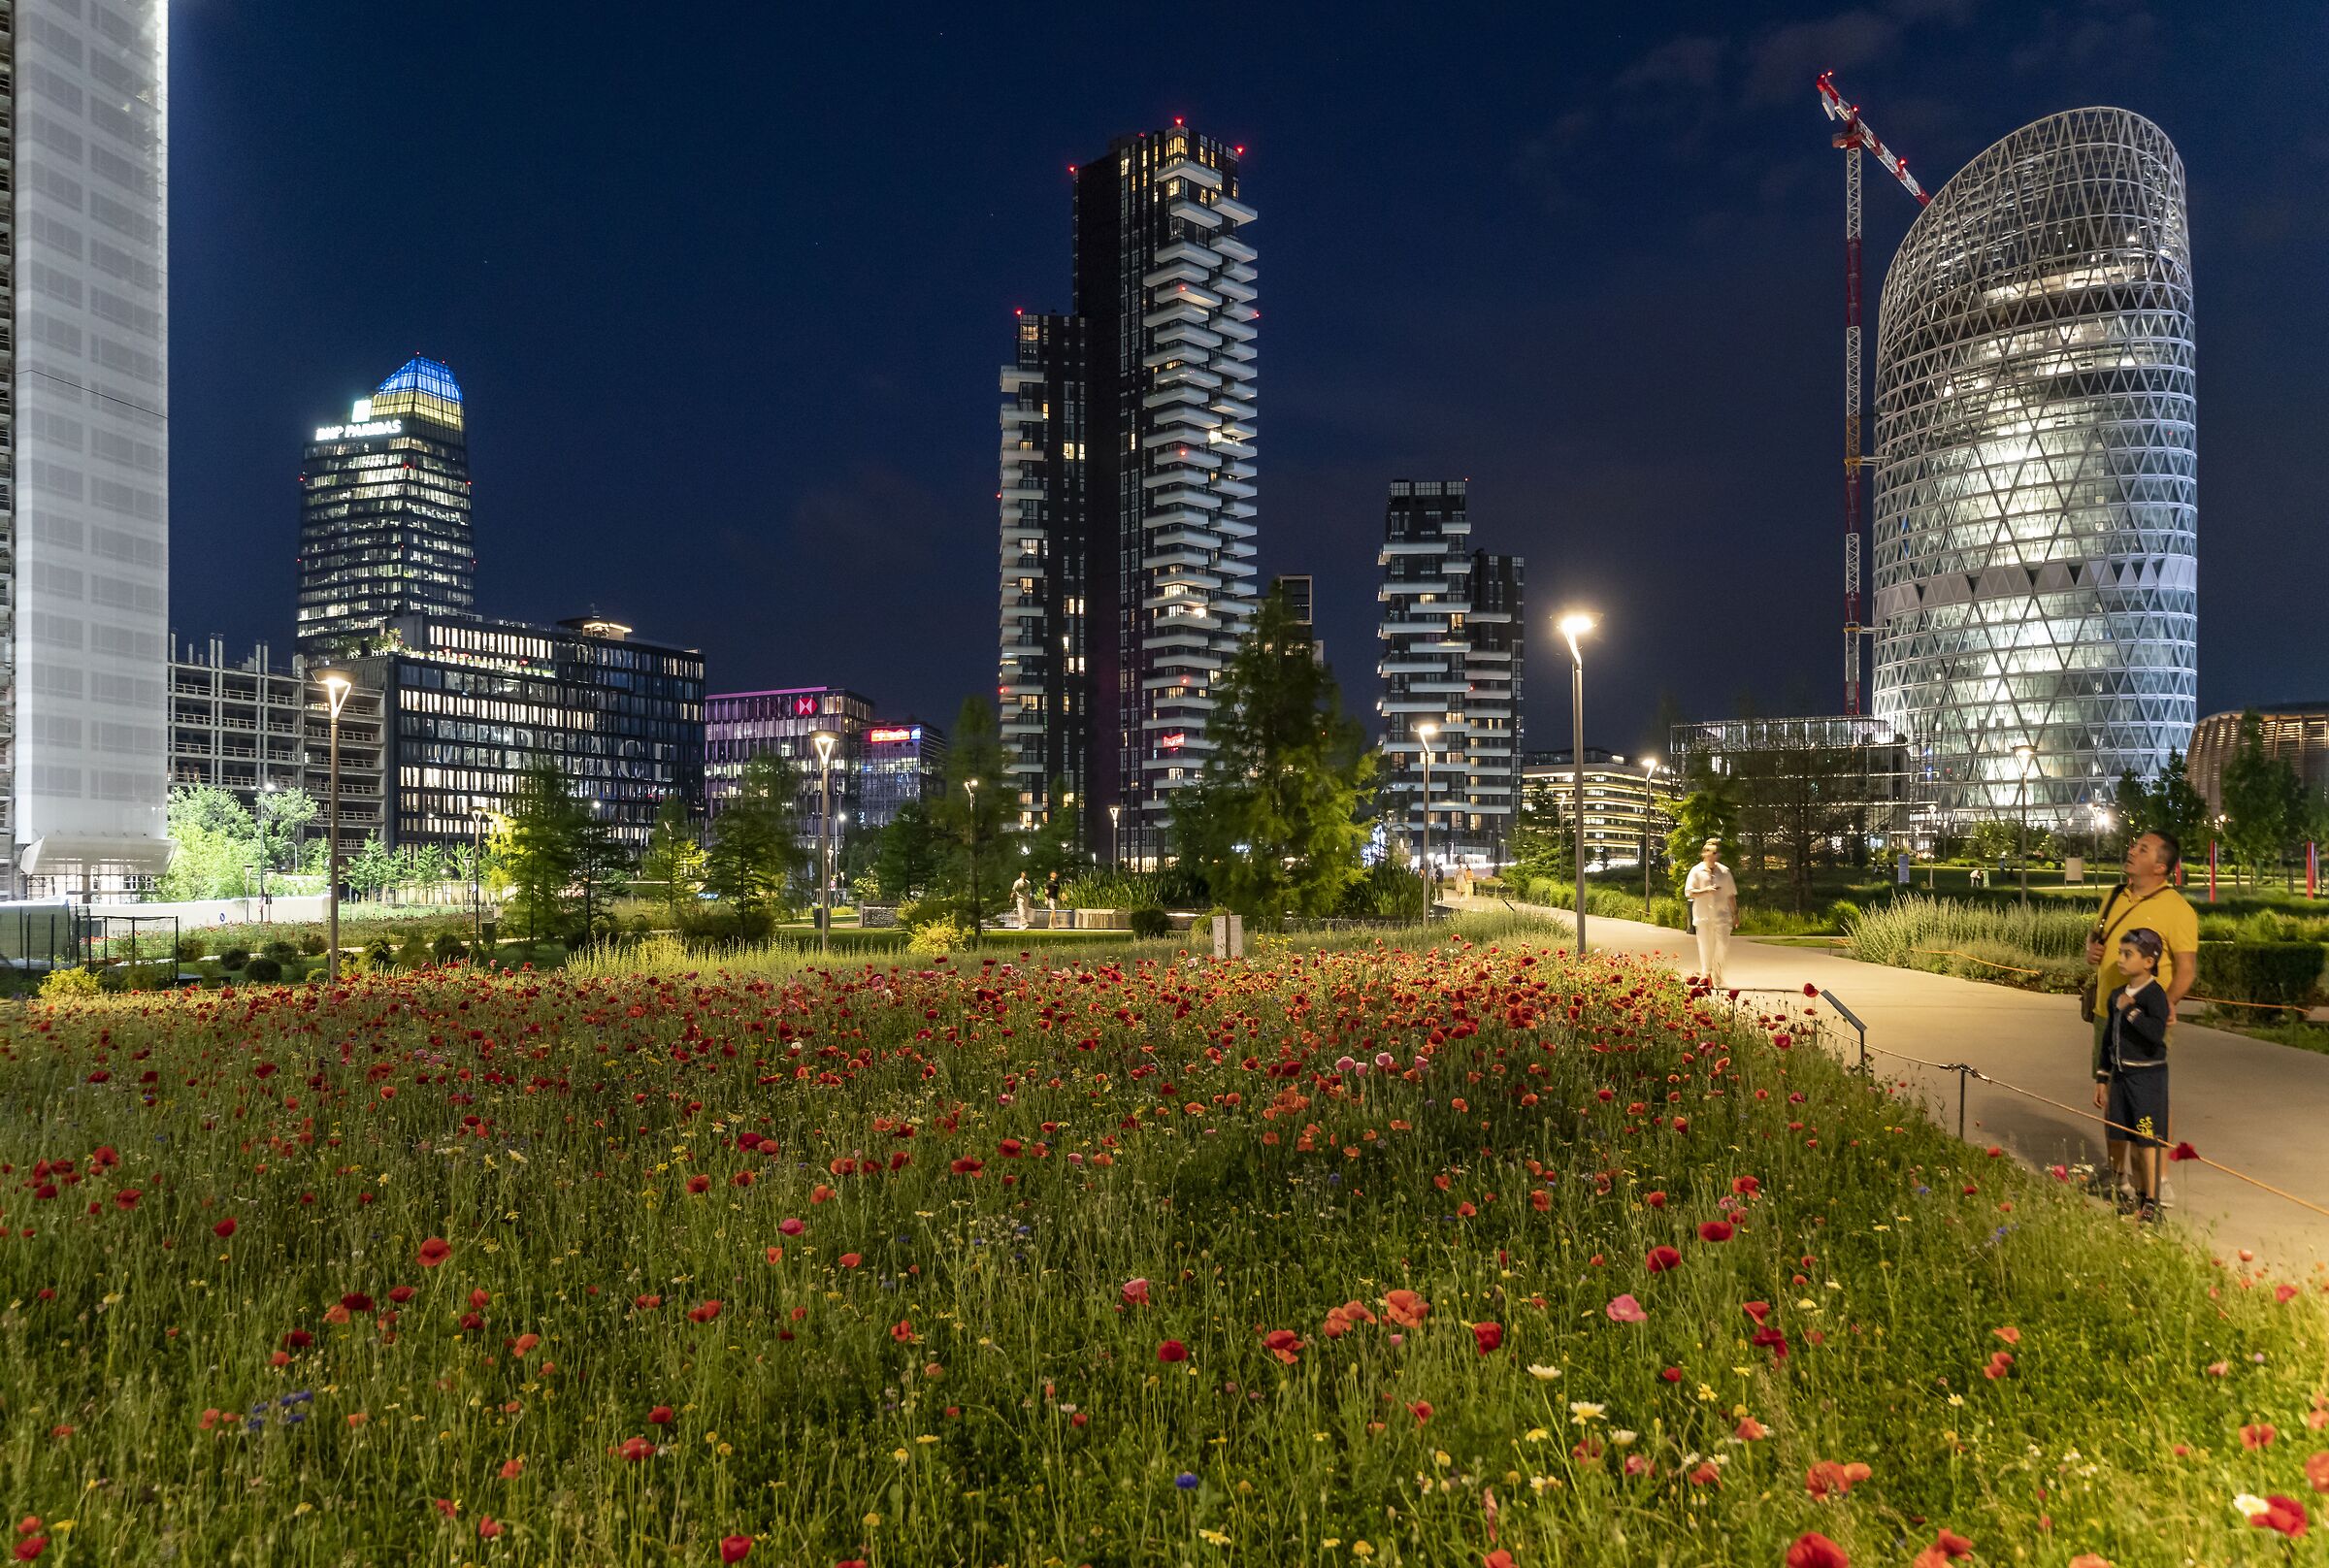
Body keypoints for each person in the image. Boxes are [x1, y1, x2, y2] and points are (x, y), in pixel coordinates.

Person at [2083, 830, 2199, 1205]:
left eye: (2142, 849)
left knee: (2150, 1098)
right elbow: (2096, 937)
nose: (2132, 851)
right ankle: (2118, 1176)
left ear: (2161, 866)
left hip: (2144, 1019)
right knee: (2112, 1092)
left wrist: (2162, 1007)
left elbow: (2186, 970)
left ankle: (2158, 1179)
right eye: (2135, 846)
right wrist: (2092, 949)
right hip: (2107, 1013)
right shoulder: (2115, 895)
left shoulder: (2177, 909)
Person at [2092, 927, 2174, 1222]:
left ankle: (2152, 1201)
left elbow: (2155, 1033)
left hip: (2147, 1081)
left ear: (2148, 961)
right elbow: (2107, 1040)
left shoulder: (2154, 995)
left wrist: (2131, 1011)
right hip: (2122, 1078)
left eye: (2128, 954)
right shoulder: (2116, 995)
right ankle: (2138, 1198)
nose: (2121, 959)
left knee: (2146, 1140)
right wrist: (2103, 1078)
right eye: (2120, 953)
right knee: (2126, 1136)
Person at [1682, 837, 1738, 985]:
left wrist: (1735, 914)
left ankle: (1717, 974)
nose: (1713, 855)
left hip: (1722, 916)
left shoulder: (1724, 872)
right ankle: (1706, 974)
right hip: (1703, 916)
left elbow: (1731, 894)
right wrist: (1705, 891)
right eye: (1709, 852)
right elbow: (1689, 892)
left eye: (1715, 852)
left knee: (1722, 946)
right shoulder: (1696, 871)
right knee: (1705, 946)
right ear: (1704, 854)